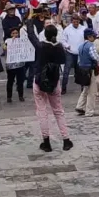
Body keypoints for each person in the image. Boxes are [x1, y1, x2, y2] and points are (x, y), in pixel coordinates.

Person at [24, 11, 73, 152]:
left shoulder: (41, 47)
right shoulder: (59, 48)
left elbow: (31, 35)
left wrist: (30, 20)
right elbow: (63, 60)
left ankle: (46, 141)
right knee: (58, 111)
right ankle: (66, 139)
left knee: (42, 111)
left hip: (40, 80)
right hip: (54, 81)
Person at [75, 29, 99, 116]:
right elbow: (96, 58)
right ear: (89, 36)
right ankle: (89, 111)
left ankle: (80, 106)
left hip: (82, 69)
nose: (94, 38)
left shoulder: (80, 46)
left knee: (85, 89)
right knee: (92, 91)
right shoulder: (91, 46)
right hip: (90, 70)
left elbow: (78, 60)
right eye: (93, 36)